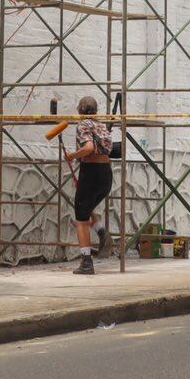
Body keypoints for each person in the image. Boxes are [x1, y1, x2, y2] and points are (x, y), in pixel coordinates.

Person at [66, 95, 115, 274]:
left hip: (91, 172)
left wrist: (72, 156)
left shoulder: (83, 125)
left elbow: (88, 148)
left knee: (81, 217)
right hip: (106, 173)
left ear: (80, 111)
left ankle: (86, 262)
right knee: (86, 209)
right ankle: (102, 232)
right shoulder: (101, 125)